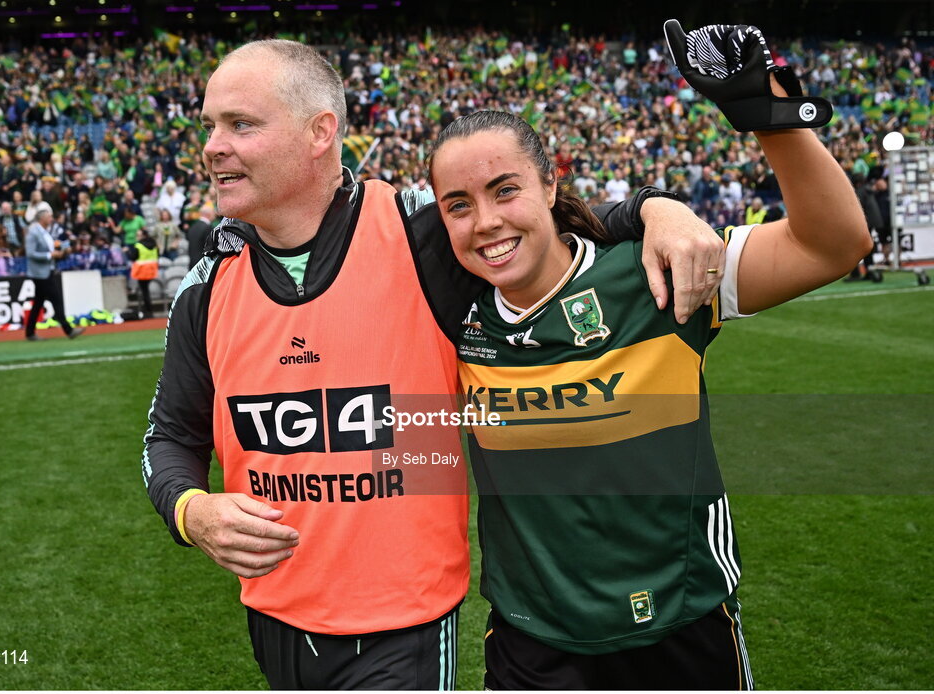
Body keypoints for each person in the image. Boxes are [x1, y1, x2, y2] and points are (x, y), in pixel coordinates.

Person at [141, 38, 728, 691]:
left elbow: (535, 225)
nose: (213, 145)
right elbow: (170, 436)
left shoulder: (414, 233)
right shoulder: (206, 284)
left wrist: (654, 208)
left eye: (240, 124)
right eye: (210, 127)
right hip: (274, 615)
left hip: (406, 623)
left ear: (320, 132)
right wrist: (191, 511)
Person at [427, 22, 871, 690]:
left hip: (682, 627)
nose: (484, 221)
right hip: (533, 645)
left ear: (551, 186)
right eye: (457, 205)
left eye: (505, 189)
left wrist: (765, 112)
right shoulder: (447, 314)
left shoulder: (657, 272)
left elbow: (833, 245)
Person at [24, 202, 85, 341]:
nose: (51, 219)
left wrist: (63, 250)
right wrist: (49, 255)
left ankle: (29, 332)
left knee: (38, 302)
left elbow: (50, 247)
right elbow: (30, 253)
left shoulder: (44, 231)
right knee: (56, 299)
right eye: (49, 216)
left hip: (46, 270)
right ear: (42, 218)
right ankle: (68, 330)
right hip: (40, 273)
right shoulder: (33, 232)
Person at [128, 227, 159, 317]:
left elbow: (133, 257)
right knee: (146, 291)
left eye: (138, 235)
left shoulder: (138, 245)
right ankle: (148, 310)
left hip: (142, 271)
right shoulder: (153, 244)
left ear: (143, 236)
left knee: (145, 292)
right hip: (151, 270)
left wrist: (127, 252)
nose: (137, 237)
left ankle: (148, 311)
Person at [184, 202, 215, 270]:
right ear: (208, 214)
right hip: (203, 266)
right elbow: (209, 248)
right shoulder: (208, 228)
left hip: (192, 264)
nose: (214, 215)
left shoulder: (193, 226)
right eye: (213, 213)